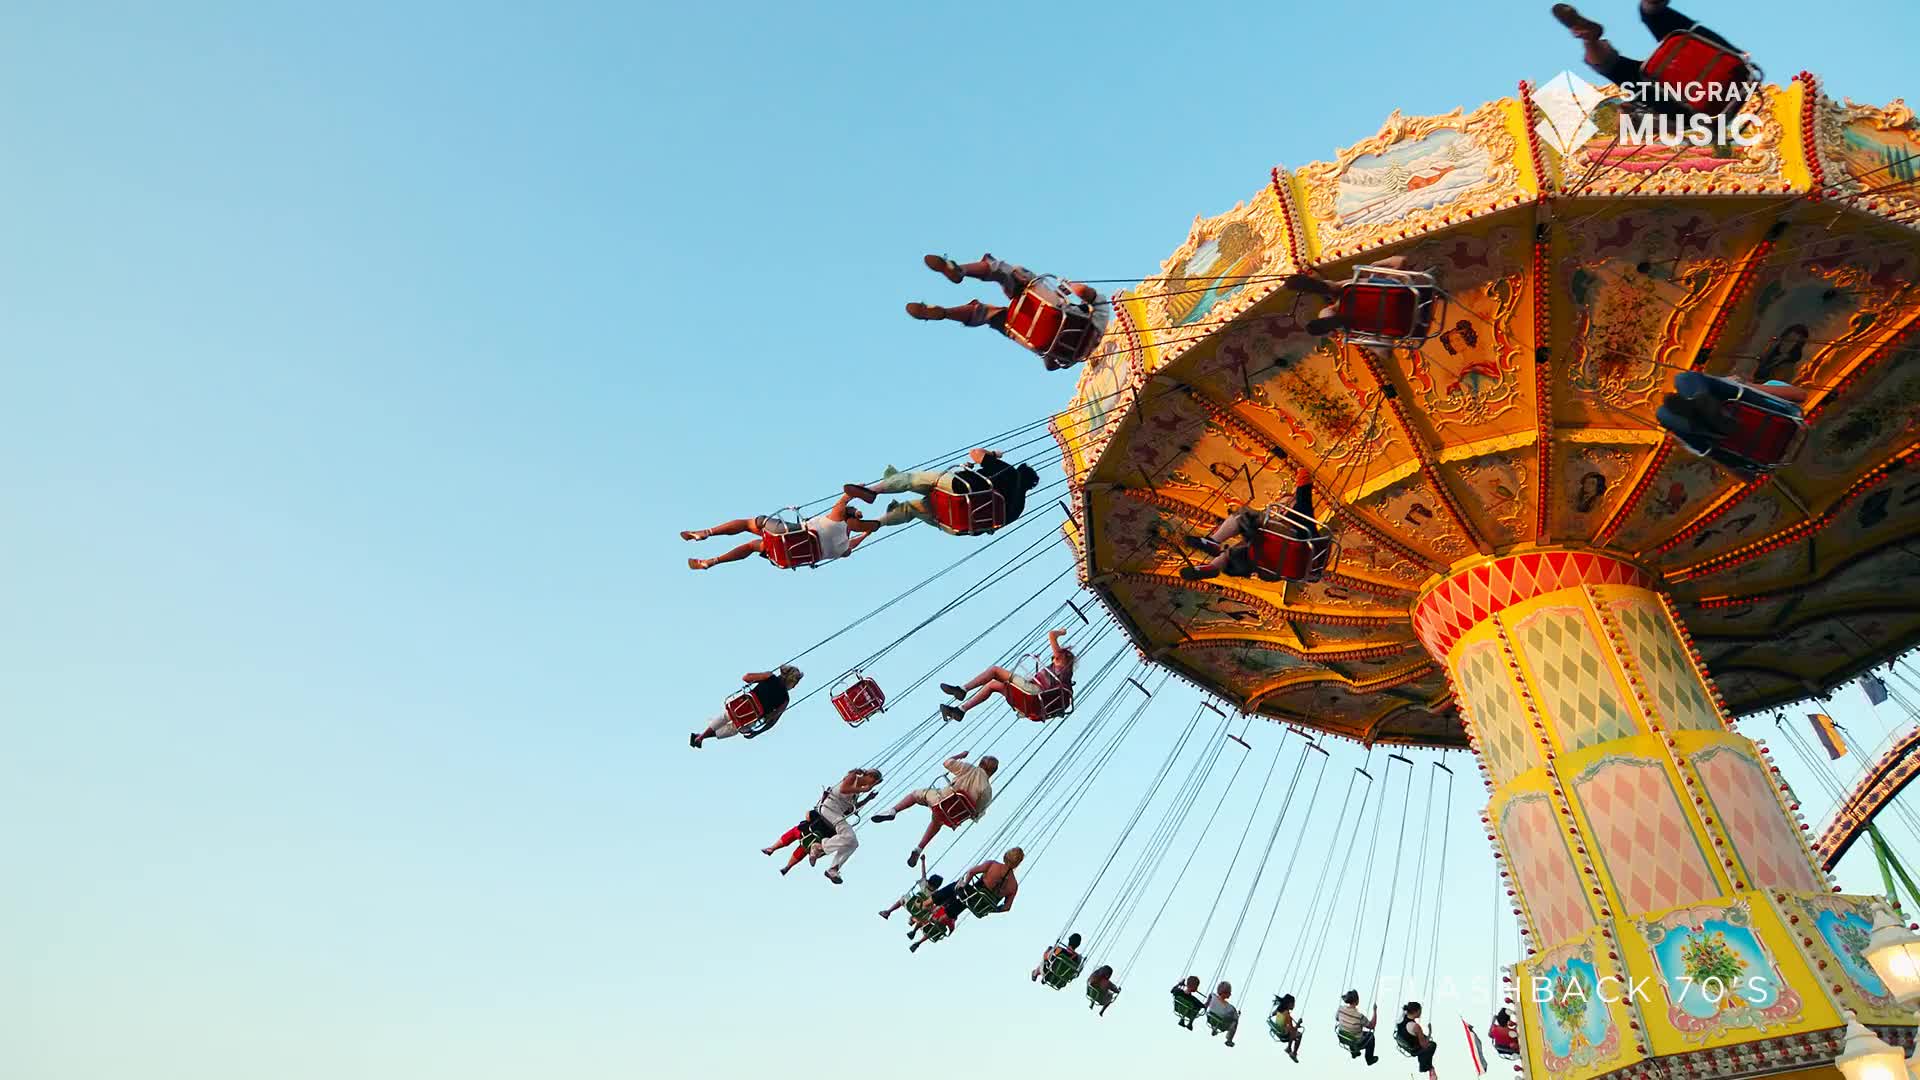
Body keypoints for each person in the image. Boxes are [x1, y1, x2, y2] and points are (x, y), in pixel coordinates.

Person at [906, 253, 1110, 370]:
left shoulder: (1101, 315)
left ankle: (959, 274)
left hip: (1052, 317)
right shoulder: (1081, 348)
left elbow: (1083, 291)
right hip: (1044, 340)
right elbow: (1051, 366)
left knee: (1009, 273)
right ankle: (945, 312)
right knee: (990, 315)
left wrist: (1070, 285)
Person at [1551, 3, 1751, 115]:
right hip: (1731, 68)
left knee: (1619, 70)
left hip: (1689, 109)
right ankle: (1651, 8)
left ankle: (1589, 39)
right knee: (1668, 25)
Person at [842, 448, 1041, 532]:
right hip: (957, 523)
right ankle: (878, 523)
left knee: (912, 480)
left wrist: (992, 455)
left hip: (958, 490)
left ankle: (874, 490)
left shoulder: (1008, 472)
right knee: (911, 509)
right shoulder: (1019, 507)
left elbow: (975, 454)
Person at [1181, 468, 1319, 581]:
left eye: (1284, 504)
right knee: (1239, 551)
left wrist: (1301, 471)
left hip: (1291, 546)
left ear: (1292, 503)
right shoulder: (1301, 529)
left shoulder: (1301, 512)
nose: (1281, 509)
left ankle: (1214, 541)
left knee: (1245, 515)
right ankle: (1213, 567)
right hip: (1276, 565)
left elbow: (1304, 490)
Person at [682, 492, 877, 571]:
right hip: (789, 556)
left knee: (751, 523)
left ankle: (706, 532)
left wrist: (857, 491)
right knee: (752, 546)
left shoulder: (834, 520)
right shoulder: (842, 548)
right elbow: (852, 546)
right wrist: (867, 533)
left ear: (845, 517)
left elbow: (843, 500)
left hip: (791, 536)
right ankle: (710, 562)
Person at [868, 751, 998, 866]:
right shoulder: (987, 790)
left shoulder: (970, 769)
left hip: (940, 801)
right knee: (937, 822)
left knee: (916, 794)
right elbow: (978, 813)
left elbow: (947, 763)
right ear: (992, 772)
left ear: (980, 763)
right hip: (952, 816)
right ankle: (918, 849)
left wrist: (960, 756)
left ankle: (893, 811)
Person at [1655, 370, 1808, 463]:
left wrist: (1745, 385)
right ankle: (1706, 413)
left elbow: (1800, 394)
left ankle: (1706, 416)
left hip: (1765, 417)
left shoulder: (1770, 383)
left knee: (1666, 409)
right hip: (1741, 430)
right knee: (1680, 385)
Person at [762, 767, 883, 883]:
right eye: (874, 782)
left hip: (836, 814)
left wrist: (867, 799)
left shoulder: (856, 793)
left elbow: (850, 809)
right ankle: (819, 847)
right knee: (849, 837)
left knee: (852, 842)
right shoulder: (853, 776)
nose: (872, 785)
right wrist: (863, 790)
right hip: (828, 809)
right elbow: (843, 789)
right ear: (870, 776)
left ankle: (833, 868)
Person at [938, 629, 1075, 722]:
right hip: (1032, 705)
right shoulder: (1062, 677)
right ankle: (960, 710)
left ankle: (962, 690)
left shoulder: (1062, 662)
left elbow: (1051, 635)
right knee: (993, 685)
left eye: (1055, 657)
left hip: (1033, 694)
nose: (1054, 659)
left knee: (995, 671)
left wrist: (1061, 632)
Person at [910, 848, 1022, 951]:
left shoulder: (992, 865)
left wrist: (964, 884)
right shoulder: (1014, 885)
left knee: (956, 886)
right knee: (966, 901)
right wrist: (990, 909)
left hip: (971, 894)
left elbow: (972, 872)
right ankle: (946, 916)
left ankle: (926, 903)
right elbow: (1007, 907)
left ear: (1006, 856)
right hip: (979, 905)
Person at [1284, 256, 1420, 337]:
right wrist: (1375, 265)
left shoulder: (1355, 327)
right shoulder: (1350, 288)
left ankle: (1330, 319)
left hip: (1406, 326)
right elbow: (1402, 260)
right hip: (1407, 297)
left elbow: (1386, 353)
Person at [689, 665, 802, 748]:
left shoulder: (769, 676)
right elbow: (772, 721)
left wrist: (760, 678)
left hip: (740, 705)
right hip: (749, 719)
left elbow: (746, 677)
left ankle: (701, 736)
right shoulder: (785, 700)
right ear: (792, 682)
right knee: (734, 729)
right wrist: (757, 732)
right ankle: (700, 737)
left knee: (726, 715)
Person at [878, 867, 945, 925]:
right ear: (937, 886)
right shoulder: (936, 894)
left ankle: (888, 911)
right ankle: (912, 920)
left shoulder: (924, 884)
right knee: (925, 912)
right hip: (921, 912)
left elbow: (923, 872)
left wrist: (923, 861)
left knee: (903, 898)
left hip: (911, 905)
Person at [1335, 990, 1380, 1065]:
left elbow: (1337, 1018)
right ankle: (1369, 1059)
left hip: (1343, 1036)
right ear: (1357, 1001)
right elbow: (1372, 1025)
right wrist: (1375, 1011)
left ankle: (1354, 1052)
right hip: (1356, 1040)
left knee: (1350, 1031)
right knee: (1371, 1036)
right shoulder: (1359, 1017)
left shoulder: (1340, 1009)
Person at [1397, 1002, 1438, 1080]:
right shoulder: (1416, 1027)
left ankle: (1427, 1066)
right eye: (1420, 1010)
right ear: (1416, 1012)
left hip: (1403, 1039)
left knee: (1424, 1041)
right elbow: (1424, 1046)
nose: (1421, 1012)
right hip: (1413, 1048)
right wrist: (1430, 1032)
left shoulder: (1402, 1018)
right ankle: (1425, 1067)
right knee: (1432, 1045)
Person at [1205, 981, 1241, 1047]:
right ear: (1225, 993)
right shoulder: (1230, 1008)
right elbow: (1231, 1017)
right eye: (1229, 992)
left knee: (1222, 1016)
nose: (1230, 994)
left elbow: (1206, 1004)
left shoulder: (1212, 996)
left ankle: (1214, 1028)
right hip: (1222, 1023)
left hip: (1210, 1018)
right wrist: (1237, 1016)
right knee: (1234, 1021)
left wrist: (1205, 1007)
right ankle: (1229, 1039)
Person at [1272, 993, 1304, 1062]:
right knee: (1299, 1034)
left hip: (1280, 1030)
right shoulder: (1287, 1015)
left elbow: (1273, 1013)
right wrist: (1298, 1023)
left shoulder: (1279, 1010)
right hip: (1284, 1033)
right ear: (1289, 1004)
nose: (1294, 1005)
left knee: (1293, 1032)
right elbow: (1293, 1029)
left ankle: (1289, 1048)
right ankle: (1293, 1052)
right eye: (1293, 1004)